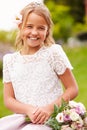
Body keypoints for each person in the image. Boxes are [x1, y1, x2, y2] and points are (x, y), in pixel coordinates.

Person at [0, 2, 78, 130]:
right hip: (23, 118)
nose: (34, 32)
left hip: (52, 117)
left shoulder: (53, 53)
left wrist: (48, 109)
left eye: (41, 28)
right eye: (29, 26)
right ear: (20, 26)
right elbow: (8, 99)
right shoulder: (10, 61)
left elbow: (72, 89)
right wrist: (29, 110)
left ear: (47, 31)